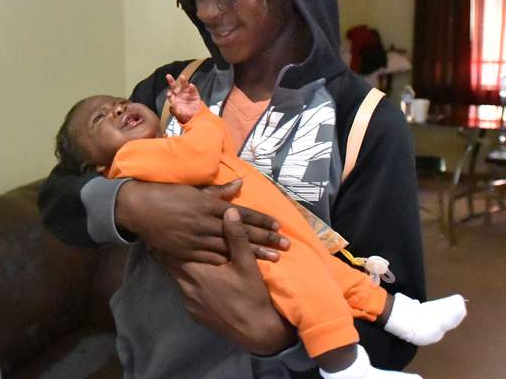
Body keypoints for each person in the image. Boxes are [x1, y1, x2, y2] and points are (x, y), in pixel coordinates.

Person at [39, 0, 427, 377]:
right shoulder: (169, 91)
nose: (207, 9)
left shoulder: (364, 123)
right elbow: (56, 200)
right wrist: (132, 203)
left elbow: (397, 330)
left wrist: (272, 337)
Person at [53, 74, 466, 378]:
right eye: (100, 119)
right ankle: (344, 366)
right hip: (258, 247)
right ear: (97, 168)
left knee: (342, 276)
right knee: (312, 289)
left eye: (118, 101)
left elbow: (216, 156)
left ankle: (407, 316)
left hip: (286, 229)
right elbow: (201, 158)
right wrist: (193, 124)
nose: (120, 108)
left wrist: (196, 123)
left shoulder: (366, 117)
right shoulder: (131, 162)